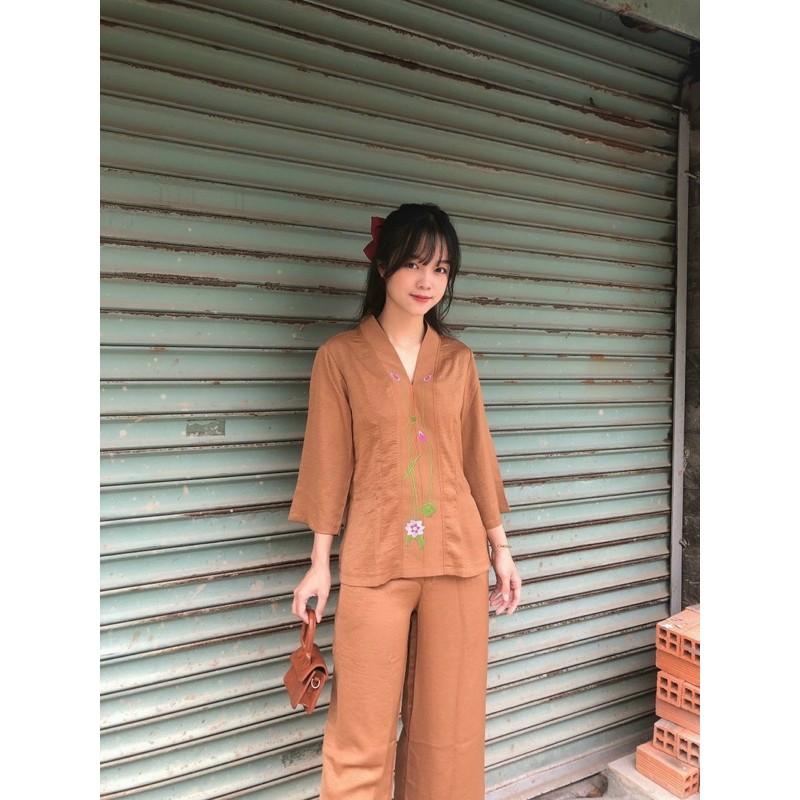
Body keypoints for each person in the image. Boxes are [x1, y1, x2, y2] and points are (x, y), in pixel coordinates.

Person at [288, 203, 522, 799]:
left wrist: (501, 550)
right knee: (360, 733)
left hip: (457, 560)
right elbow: (328, 464)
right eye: (415, 263)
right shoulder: (341, 358)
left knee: (449, 736)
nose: (427, 281)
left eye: (441, 269)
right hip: (376, 561)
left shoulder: (458, 361)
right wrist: (319, 563)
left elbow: (476, 458)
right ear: (383, 265)